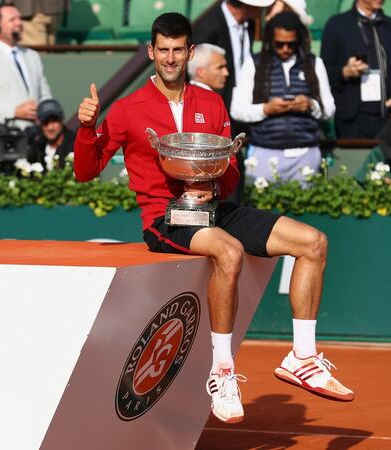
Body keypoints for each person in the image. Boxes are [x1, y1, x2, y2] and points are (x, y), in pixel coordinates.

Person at [75, 12, 354, 426]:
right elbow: (86, 170)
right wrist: (87, 128)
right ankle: (222, 372)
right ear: (152, 51)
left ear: (190, 52)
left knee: (313, 242)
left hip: (216, 208)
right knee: (229, 250)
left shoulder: (210, 102)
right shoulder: (127, 109)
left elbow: (230, 166)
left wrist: (216, 186)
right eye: (162, 50)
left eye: (178, 51)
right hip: (165, 217)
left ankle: (303, 357)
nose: (170, 59)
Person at [230, 11, 335, 182]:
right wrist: (266, 109)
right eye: (279, 44)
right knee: (261, 207)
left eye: (291, 44)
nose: (285, 49)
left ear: (298, 41)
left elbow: (329, 109)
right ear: (270, 41)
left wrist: (310, 105)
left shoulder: (313, 63)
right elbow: (237, 110)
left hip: (305, 153)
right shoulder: (254, 63)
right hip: (264, 152)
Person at [192, 0, 274, 204]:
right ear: (245, 7)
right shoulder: (207, 28)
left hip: (238, 112)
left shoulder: (249, 24)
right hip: (214, 113)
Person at [0, 1, 53, 166]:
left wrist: (43, 113)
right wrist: (14, 111)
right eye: (12, 19)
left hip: (31, 146)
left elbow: (45, 95)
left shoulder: (32, 56)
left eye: (19, 18)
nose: (19, 23)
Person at [320, 0, 391, 139]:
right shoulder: (336, 25)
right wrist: (344, 72)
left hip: (388, 114)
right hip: (351, 118)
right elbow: (323, 72)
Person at [27, 99, 74, 170]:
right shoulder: (36, 148)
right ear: (40, 124)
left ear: (62, 120)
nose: (50, 127)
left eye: (54, 121)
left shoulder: (76, 145)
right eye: (45, 122)